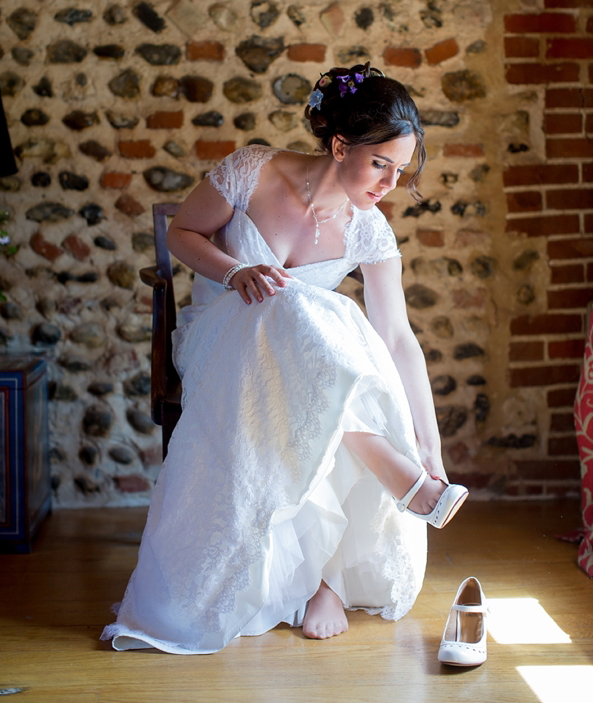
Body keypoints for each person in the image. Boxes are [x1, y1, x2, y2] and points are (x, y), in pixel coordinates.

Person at [101, 62, 468, 654]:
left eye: (400, 171)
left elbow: (397, 338)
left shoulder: (369, 232)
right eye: (380, 163)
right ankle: (384, 498)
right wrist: (236, 269)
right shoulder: (252, 169)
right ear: (340, 144)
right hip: (223, 335)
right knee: (290, 308)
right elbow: (184, 235)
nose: (389, 183)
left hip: (302, 367)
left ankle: (324, 574)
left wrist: (431, 446)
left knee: (311, 323)